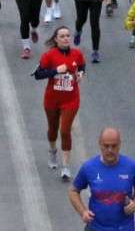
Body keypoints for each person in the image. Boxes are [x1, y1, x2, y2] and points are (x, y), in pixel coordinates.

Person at [34, 25, 87, 181]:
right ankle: (52, 151)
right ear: (56, 39)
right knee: (53, 129)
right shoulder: (49, 56)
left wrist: (81, 74)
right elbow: (38, 75)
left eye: (67, 36)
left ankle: (65, 167)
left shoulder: (76, 54)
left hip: (71, 99)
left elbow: (82, 66)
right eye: (62, 36)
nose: (66, 38)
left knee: (65, 131)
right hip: (52, 100)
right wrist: (56, 70)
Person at [69, 127, 135, 230]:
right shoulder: (89, 167)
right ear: (100, 144)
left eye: (114, 146)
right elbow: (73, 191)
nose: (110, 150)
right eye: (106, 146)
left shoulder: (132, 166)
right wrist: (83, 212)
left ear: (120, 145)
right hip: (96, 228)